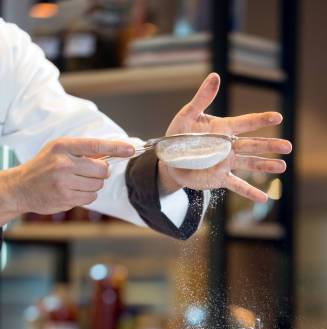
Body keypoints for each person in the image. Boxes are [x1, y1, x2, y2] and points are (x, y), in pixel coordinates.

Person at [0, 20, 292, 241]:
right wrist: (15, 190)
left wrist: (169, 165)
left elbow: (92, 158)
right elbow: (22, 185)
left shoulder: (7, 50)